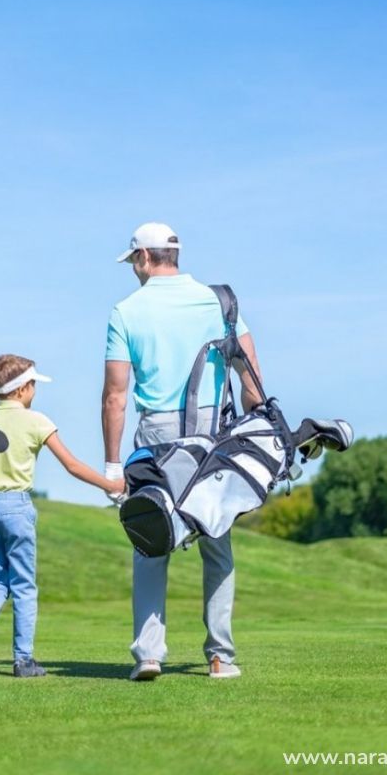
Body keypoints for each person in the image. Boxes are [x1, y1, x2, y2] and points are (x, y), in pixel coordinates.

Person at [101, 222, 265, 682]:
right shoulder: (218, 301)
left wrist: (113, 465)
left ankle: (149, 655)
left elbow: (116, 394)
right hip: (212, 433)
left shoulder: (126, 310)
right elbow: (251, 378)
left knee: (151, 538)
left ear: (143, 258)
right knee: (217, 539)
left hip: (157, 435)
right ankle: (220, 657)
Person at [0, 354, 125, 679]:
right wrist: (111, 484)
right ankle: (23, 661)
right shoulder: (36, 421)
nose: (35, 390)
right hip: (16, 507)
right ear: (22, 388)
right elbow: (72, 465)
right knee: (24, 585)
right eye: (33, 384)